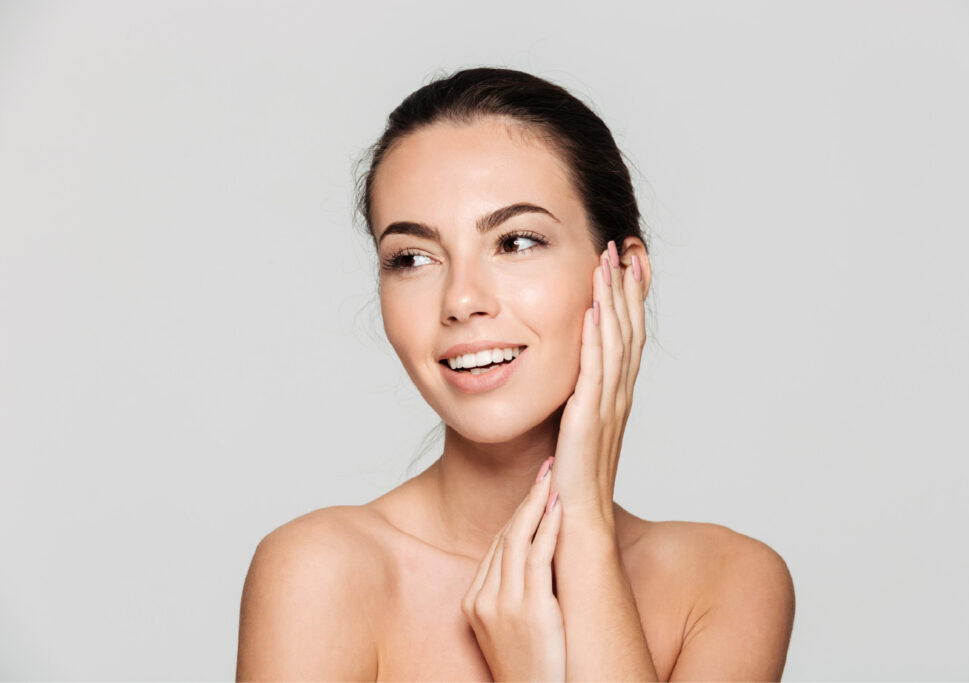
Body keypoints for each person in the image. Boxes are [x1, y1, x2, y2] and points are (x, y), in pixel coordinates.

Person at [235, 67, 795, 682]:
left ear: (624, 274)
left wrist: (584, 533)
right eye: (412, 257)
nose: (461, 300)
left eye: (516, 242)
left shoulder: (726, 584)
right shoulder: (320, 574)